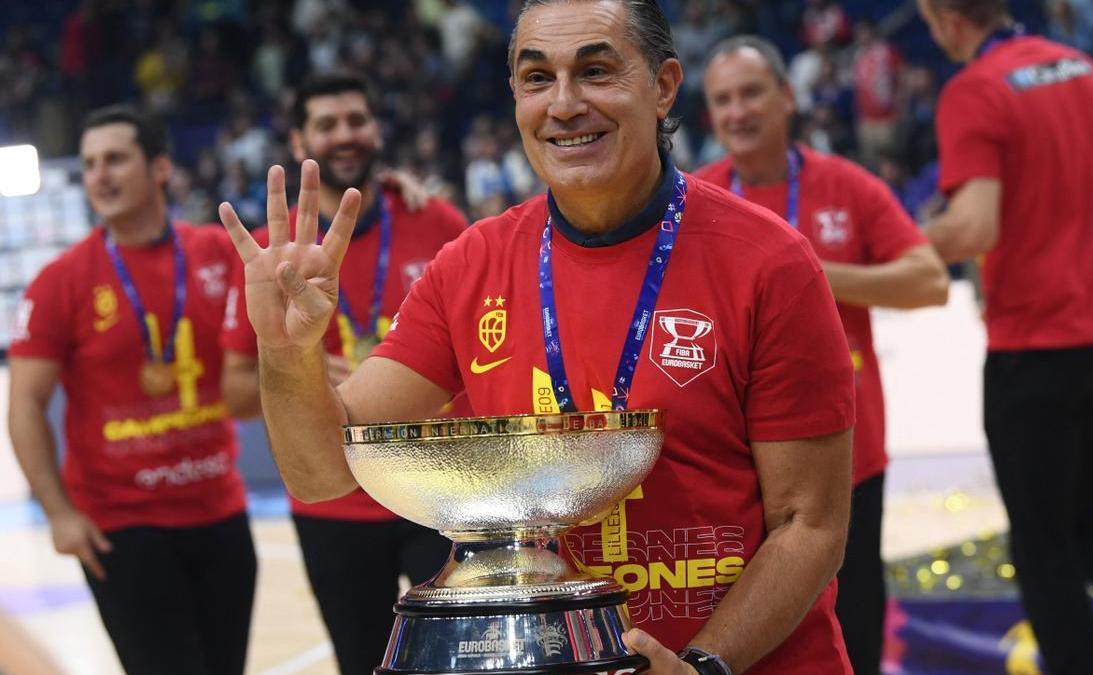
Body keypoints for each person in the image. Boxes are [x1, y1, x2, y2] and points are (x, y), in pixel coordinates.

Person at [219, 1, 858, 673]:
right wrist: (288, 354)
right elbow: (320, 472)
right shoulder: (472, 264)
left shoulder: (770, 261)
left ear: (664, 85)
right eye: (536, 78)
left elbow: (808, 523)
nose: (564, 103)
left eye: (595, 70)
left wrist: (703, 666)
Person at [917, 1, 1093, 672]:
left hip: (1039, 340)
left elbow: (974, 227)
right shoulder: (1086, 70)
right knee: (1087, 525)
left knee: (1043, 546)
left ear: (942, 18)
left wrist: (896, 243)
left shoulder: (974, 91)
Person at [695, 35, 949, 675]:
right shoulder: (692, 201)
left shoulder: (847, 186)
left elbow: (930, 280)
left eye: (752, 92)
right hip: (731, 463)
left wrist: (807, 274)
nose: (738, 111)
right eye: (722, 100)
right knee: (743, 631)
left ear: (787, 97)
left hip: (845, 456)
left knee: (853, 626)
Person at [221, 72, 468, 675]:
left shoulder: (435, 220)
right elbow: (231, 392)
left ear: (376, 128)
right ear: (300, 137)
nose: (344, 134)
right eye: (326, 124)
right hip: (335, 509)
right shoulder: (268, 258)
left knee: (466, 662)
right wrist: (299, 368)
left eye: (356, 119)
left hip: (436, 495)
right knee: (362, 663)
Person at [6, 105, 256, 675]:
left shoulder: (217, 253)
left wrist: (391, 189)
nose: (100, 175)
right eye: (91, 163)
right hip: (123, 530)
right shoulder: (61, 281)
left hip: (220, 514)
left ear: (161, 168)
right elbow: (23, 404)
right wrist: (58, 514)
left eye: (116, 158)